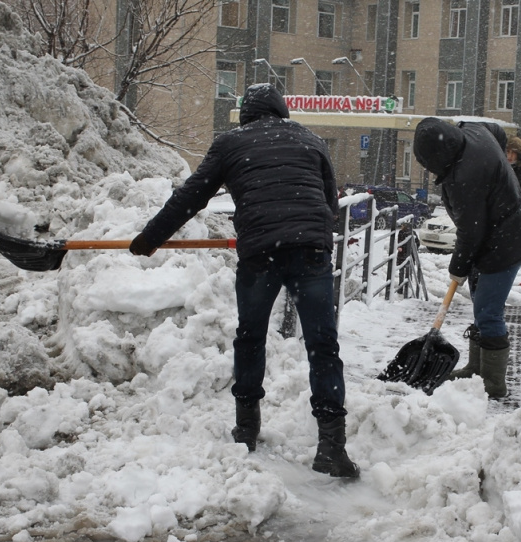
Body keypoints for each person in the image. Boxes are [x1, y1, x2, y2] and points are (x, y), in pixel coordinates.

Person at [129, 83, 359, 479]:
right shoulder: (310, 139)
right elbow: (329, 202)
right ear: (281, 111)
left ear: (246, 114)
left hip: (261, 255)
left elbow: (191, 196)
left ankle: (246, 430)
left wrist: (151, 239)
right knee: (324, 346)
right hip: (311, 251)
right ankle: (331, 448)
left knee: (250, 337)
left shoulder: (231, 143)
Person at [413, 117, 521, 398]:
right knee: (481, 306)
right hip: (498, 231)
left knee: (488, 310)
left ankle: (494, 383)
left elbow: (471, 233)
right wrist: (502, 175)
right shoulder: (473, 131)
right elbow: (497, 131)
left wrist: (458, 267)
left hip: (507, 241)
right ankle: (476, 368)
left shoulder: (466, 176)